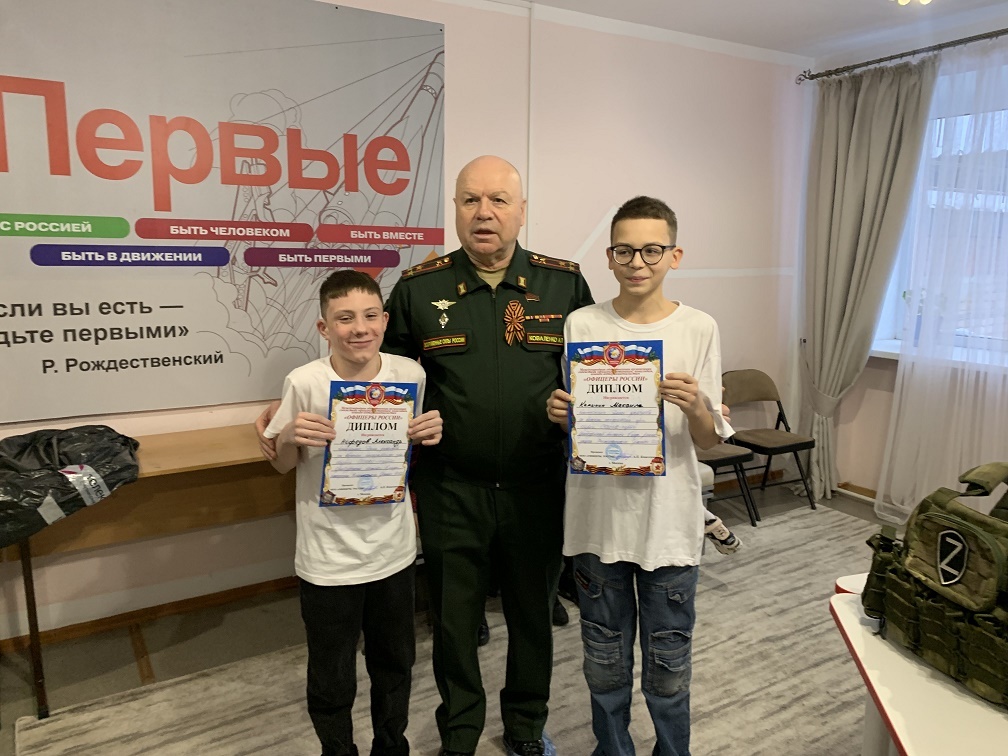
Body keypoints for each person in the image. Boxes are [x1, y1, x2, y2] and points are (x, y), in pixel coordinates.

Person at [383, 155, 593, 756]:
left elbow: (597, 368)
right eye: (471, 199)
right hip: (452, 488)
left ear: (521, 211)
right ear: (455, 209)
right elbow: (378, 374)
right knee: (453, 622)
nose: (484, 212)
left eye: (499, 200)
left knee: (533, 616)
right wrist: (304, 395)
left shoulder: (563, 284)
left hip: (536, 485)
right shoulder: (419, 288)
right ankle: (460, 731)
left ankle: (525, 726)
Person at [546, 196, 732, 756]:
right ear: (609, 256)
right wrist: (561, 413)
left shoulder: (698, 327)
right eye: (624, 250)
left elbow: (708, 438)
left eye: (652, 250)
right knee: (604, 667)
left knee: (669, 670)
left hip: (669, 526)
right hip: (597, 523)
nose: (637, 263)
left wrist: (696, 406)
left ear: (675, 255)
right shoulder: (582, 323)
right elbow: (580, 421)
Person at [261, 270, 443, 756]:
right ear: (324, 328)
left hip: (393, 551)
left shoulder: (410, 375)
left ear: (384, 320)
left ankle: (392, 745)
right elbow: (281, 464)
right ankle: (337, 749)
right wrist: (288, 437)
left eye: (369, 316)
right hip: (328, 558)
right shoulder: (305, 382)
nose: (359, 328)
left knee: (395, 665)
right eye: (344, 319)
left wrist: (430, 431)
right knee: (331, 674)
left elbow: (412, 445)